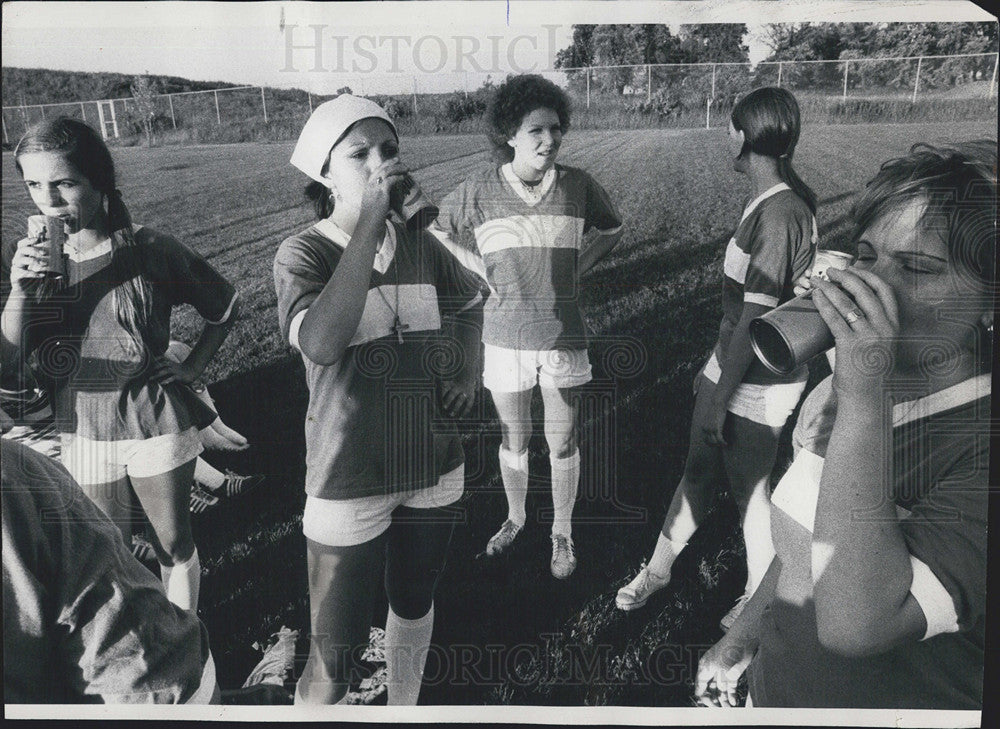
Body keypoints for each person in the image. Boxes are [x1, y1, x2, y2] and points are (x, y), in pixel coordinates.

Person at [694, 140, 995, 709]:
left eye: (916, 267)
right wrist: (744, 635)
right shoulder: (847, 394)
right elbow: (807, 539)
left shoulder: (974, 444)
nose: (872, 285)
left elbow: (857, 626)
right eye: (866, 256)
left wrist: (861, 391)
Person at [273, 95, 484, 705]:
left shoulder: (418, 240)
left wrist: (467, 366)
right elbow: (321, 343)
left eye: (388, 150)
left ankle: (402, 709)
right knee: (332, 661)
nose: (379, 164)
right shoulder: (303, 252)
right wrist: (368, 223)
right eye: (359, 154)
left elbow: (470, 300)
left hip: (434, 461)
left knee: (413, 601)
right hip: (348, 473)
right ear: (323, 172)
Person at [2, 117, 239, 614]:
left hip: (154, 420)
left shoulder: (151, 248)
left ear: (100, 183)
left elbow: (224, 308)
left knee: (172, 542)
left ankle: (186, 635)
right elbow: (8, 368)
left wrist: (191, 370)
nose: (49, 200)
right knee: (111, 548)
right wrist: (22, 291)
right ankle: (141, 641)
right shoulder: (34, 261)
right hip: (82, 425)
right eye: (33, 185)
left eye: (65, 183)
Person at [616, 88, 817, 625]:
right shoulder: (771, 199)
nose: (725, 134)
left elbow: (757, 320)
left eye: (730, 126)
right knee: (698, 469)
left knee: (750, 491)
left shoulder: (781, 213)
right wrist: (714, 378)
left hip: (760, 374)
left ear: (744, 135)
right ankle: (658, 569)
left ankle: (759, 598)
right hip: (729, 359)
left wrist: (720, 399)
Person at [432, 74, 624, 579]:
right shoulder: (478, 190)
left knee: (561, 440)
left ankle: (562, 530)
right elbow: (434, 231)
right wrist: (480, 269)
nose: (550, 139)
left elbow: (614, 227)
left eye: (556, 129)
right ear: (509, 135)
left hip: (563, 335)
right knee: (514, 437)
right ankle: (515, 517)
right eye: (536, 129)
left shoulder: (578, 185)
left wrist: (577, 268)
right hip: (504, 339)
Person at [2, 437, 219, 703]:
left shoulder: (12, 474)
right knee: (114, 552)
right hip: (89, 430)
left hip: (148, 418)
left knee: (169, 544)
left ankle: (177, 624)